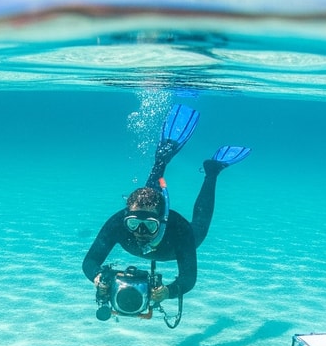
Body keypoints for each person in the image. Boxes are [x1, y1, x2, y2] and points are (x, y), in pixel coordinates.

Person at [81, 104, 249, 306]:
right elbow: (90, 262)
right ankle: (162, 157)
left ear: (161, 221)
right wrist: (98, 277)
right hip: (153, 223)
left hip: (173, 240)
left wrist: (169, 291)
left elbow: (189, 278)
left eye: (149, 224)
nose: (140, 231)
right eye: (134, 223)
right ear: (126, 218)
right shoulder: (118, 223)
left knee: (200, 229)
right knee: (148, 196)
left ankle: (212, 171)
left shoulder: (179, 230)